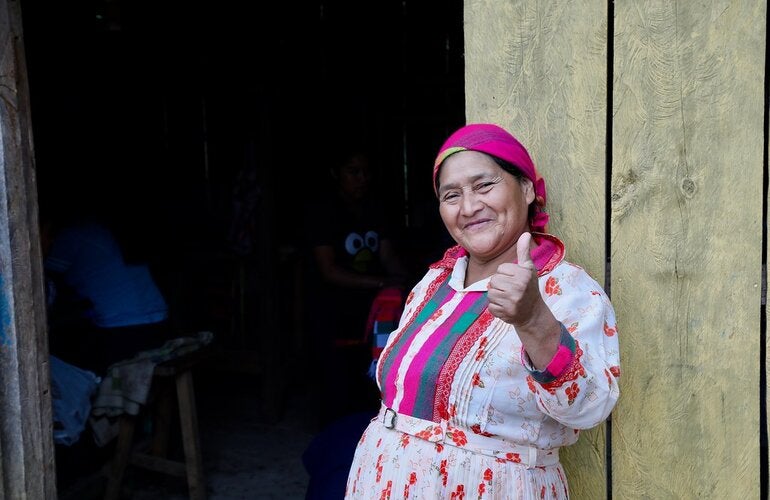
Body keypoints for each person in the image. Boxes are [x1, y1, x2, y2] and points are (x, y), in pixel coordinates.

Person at [344, 123, 621, 499]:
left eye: (484, 185)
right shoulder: (435, 283)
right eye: (451, 195)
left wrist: (533, 320)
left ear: (526, 189)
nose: (469, 207)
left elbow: (589, 409)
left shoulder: (567, 289)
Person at [303, 146, 410, 427]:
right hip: (333, 305)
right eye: (354, 172)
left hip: (373, 306)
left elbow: (387, 255)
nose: (362, 178)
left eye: (366, 172)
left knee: (373, 371)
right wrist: (382, 282)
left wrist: (407, 284)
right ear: (335, 174)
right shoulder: (323, 212)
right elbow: (328, 270)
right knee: (335, 377)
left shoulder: (374, 208)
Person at [42, 214, 172, 377]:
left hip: (124, 327)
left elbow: (43, 282)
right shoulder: (97, 230)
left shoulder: (70, 236)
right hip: (157, 317)